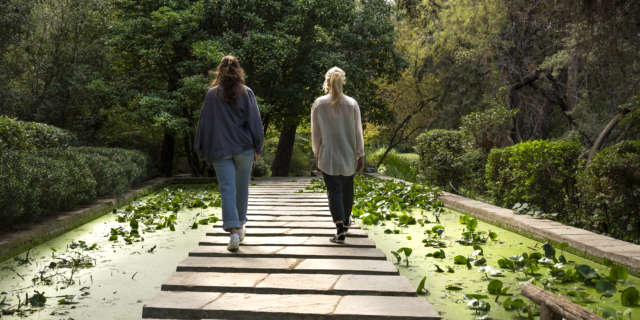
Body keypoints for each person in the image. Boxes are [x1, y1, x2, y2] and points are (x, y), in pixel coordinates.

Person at [194, 56, 264, 251]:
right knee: (242, 189)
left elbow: (204, 125)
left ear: (220, 70)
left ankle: (233, 233)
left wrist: (201, 150)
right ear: (238, 70)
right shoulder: (246, 92)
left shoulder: (211, 95)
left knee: (227, 191)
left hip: (220, 150)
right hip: (244, 149)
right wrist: (258, 147)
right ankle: (240, 227)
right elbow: (255, 122)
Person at [311, 67, 365, 244]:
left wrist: (317, 153)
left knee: (333, 191)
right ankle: (346, 220)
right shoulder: (352, 104)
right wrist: (361, 154)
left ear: (327, 83)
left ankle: (340, 229)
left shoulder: (319, 103)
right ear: (343, 81)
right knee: (347, 190)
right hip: (349, 155)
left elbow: (316, 133)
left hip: (328, 155)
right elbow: (358, 132)